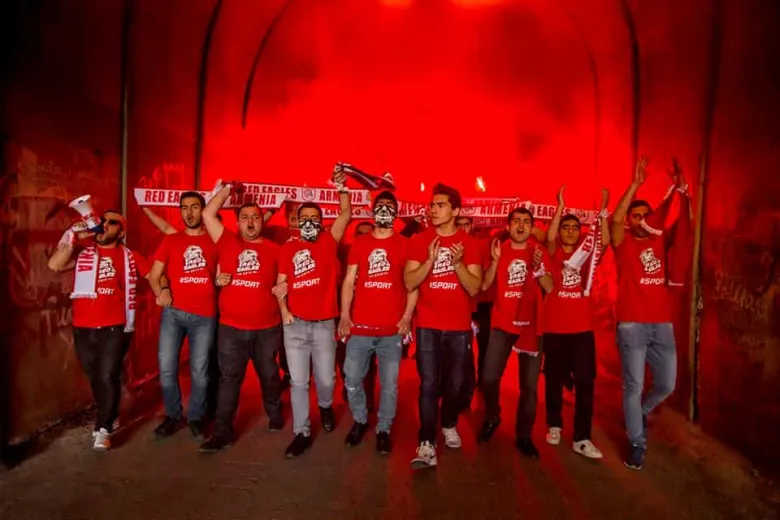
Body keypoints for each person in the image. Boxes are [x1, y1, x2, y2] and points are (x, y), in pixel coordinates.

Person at [48, 210, 149, 450]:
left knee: (106, 376)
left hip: (115, 326)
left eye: (111, 223)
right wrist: (74, 233)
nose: (104, 225)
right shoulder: (84, 253)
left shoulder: (130, 256)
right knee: (95, 376)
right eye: (101, 221)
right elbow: (54, 264)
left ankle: (103, 428)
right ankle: (111, 411)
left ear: (121, 232)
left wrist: (164, 289)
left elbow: (154, 273)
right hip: (83, 326)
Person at [611, 157, 687, 470]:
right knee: (633, 385)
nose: (642, 220)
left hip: (662, 325)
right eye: (636, 216)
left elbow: (682, 225)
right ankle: (637, 443)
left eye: (646, 215)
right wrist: (636, 184)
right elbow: (615, 219)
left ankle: (639, 412)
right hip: (631, 325)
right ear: (630, 221)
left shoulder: (659, 240)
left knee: (667, 384)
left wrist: (681, 190)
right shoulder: (623, 242)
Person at [197, 183, 284, 452]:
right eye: (245, 217)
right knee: (229, 379)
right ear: (237, 222)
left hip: (267, 329)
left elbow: (286, 282)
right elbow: (207, 214)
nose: (250, 221)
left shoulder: (276, 250)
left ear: (263, 221)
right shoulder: (227, 241)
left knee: (269, 376)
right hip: (231, 329)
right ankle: (222, 432)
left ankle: (275, 412)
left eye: (255, 217)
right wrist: (228, 190)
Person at [405, 183, 482, 469]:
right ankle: (426, 442)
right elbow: (409, 282)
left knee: (455, 384)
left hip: (458, 328)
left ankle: (448, 422)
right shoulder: (419, 240)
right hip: (428, 324)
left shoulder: (470, 244)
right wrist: (429, 261)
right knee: (428, 384)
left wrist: (458, 264)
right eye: (432, 205)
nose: (433, 210)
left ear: (456, 211)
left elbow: (474, 287)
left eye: (440, 205)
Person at [276, 166, 352, 458]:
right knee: (297, 381)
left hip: (323, 325)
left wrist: (342, 188)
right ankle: (302, 432)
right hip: (295, 325)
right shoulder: (288, 248)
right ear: (297, 222)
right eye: (304, 218)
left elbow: (345, 214)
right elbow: (280, 285)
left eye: (314, 218)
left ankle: (325, 406)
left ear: (321, 223)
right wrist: (284, 311)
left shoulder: (329, 241)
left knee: (327, 379)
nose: (309, 222)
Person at [339, 191, 417, 454]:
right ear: (372, 212)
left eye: (389, 206)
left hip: (391, 330)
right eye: (380, 205)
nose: (384, 209)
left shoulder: (405, 244)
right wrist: (345, 315)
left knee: (389, 384)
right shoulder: (361, 243)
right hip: (360, 327)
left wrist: (407, 317)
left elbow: (412, 284)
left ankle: (384, 428)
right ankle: (360, 420)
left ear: (396, 213)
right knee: (352, 378)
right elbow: (349, 281)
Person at [478, 207, 553, 459]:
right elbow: (485, 284)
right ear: (508, 226)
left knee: (529, 387)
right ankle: (492, 416)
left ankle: (523, 435)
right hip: (502, 323)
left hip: (531, 325)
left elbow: (549, 287)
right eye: (517, 221)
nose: (521, 226)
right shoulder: (498, 249)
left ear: (532, 227)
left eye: (526, 222)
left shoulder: (539, 252)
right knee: (489, 378)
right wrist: (495, 261)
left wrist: (538, 269)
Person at [542, 186, 610, 460]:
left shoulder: (587, 257)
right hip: (555, 329)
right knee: (553, 379)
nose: (569, 231)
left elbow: (604, 241)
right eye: (565, 227)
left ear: (580, 233)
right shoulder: (553, 253)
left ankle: (582, 438)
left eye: (574, 228)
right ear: (560, 231)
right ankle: (554, 423)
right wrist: (560, 206)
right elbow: (548, 236)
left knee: (585, 383)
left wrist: (603, 211)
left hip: (582, 330)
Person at [147, 192, 218, 440]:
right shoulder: (171, 240)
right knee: (167, 368)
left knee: (200, 371)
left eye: (194, 207)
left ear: (202, 210)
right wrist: (162, 291)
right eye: (184, 208)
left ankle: (196, 417)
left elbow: (226, 271)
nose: (189, 212)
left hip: (204, 315)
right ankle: (173, 415)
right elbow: (154, 275)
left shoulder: (214, 240)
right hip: (174, 314)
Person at [337, 221, 378, 409]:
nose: (364, 237)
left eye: (368, 233)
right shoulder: (344, 252)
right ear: (354, 236)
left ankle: (367, 398)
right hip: (344, 316)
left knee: (368, 360)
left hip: (370, 316)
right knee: (343, 358)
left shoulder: (380, 254)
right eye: (360, 233)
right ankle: (350, 386)